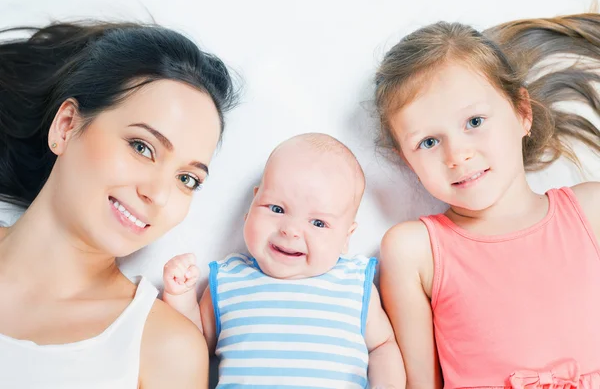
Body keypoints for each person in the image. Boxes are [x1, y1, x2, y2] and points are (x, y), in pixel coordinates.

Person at [0, 20, 237, 388]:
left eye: (187, 179)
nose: (158, 194)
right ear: (66, 127)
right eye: (143, 147)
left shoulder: (164, 349)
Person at [374, 13, 600, 388]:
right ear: (406, 159)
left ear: (522, 113)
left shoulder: (591, 210)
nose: (457, 154)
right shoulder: (415, 250)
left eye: (475, 122)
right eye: (429, 142)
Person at [162, 133, 406, 388]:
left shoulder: (353, 283)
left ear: (347, 236)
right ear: (253, 202)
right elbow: (194, 347)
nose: (291, 230)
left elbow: (382, 346)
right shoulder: (229, 279)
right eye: (277, 209)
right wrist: (180, 296)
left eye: (318, 223)